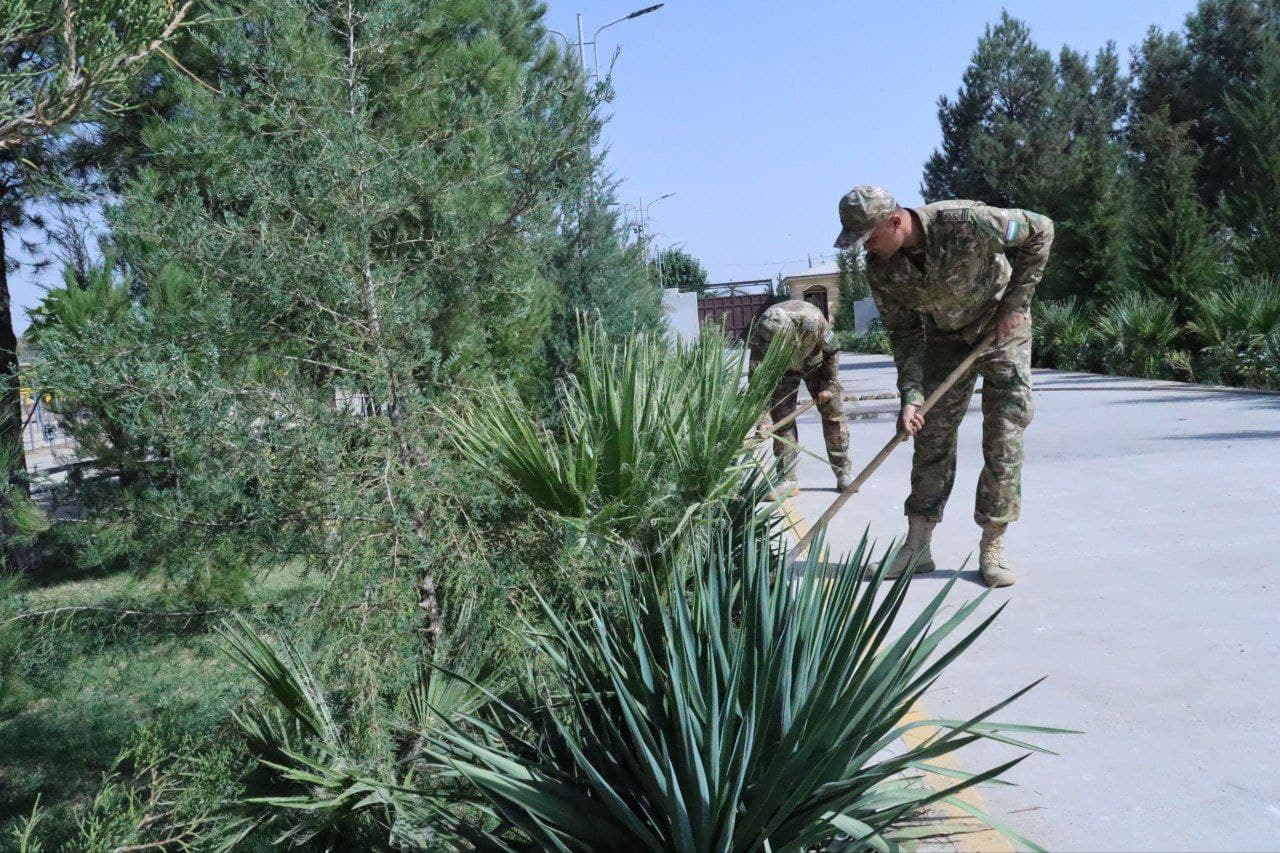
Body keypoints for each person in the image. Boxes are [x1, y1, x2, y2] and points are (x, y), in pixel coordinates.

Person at [833, 185, 1054, 587]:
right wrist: (911, 398)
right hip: (944, 339)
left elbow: (1041, 230)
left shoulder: (966, 221)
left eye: (869, 238)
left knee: (1003, 435)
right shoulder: (881, 268)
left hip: (1001, 332)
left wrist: (1015, 305)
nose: (866, 249)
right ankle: (918, 545)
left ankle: (993, 545)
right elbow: (903, 335)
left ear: (895, 221)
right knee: (929, 434)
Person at [748, 298, 853, 497]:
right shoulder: (761, 335)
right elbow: (757, 380)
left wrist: (828, 385)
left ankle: (843, 473)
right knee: (782, 422)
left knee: (833, 416)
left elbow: (832, 350)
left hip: (816, 363)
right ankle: (787, 479)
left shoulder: (811, 320)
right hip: (783, 370)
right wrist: (761, 421)